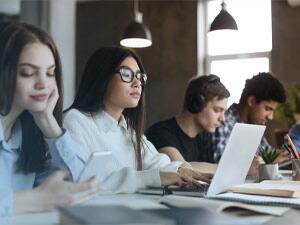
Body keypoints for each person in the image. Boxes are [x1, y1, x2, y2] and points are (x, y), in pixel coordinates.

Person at [63, 46, 209, 194]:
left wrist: (188, 173)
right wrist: (154, 178)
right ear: (102, 77)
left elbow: (159, 164)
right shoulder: (75, 121)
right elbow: (84, 183)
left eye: (140, 76)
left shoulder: (127, 129)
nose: (137, 83)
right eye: (126, 74)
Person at [0, 22, 100, 217]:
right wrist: (36, 199)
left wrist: (47, 121)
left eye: (50, 73)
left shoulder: (25, 135)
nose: (43, 83)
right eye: (28, 73)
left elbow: (82, 186)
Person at [146, 75, 230, 173]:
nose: (223, 119)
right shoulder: (159, 132)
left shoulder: (205, 137)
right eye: (217, 110)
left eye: (224, 111)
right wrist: (227, 168)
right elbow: (181, 169)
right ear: (197, 104)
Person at [212, 72, 289, 165]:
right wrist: (269, 161)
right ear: (251, 101)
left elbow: (267, 152)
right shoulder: (222, 122)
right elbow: (221, 164)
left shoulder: (253, 125)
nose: (270, 117)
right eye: (268, 109)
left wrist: (283, 154)